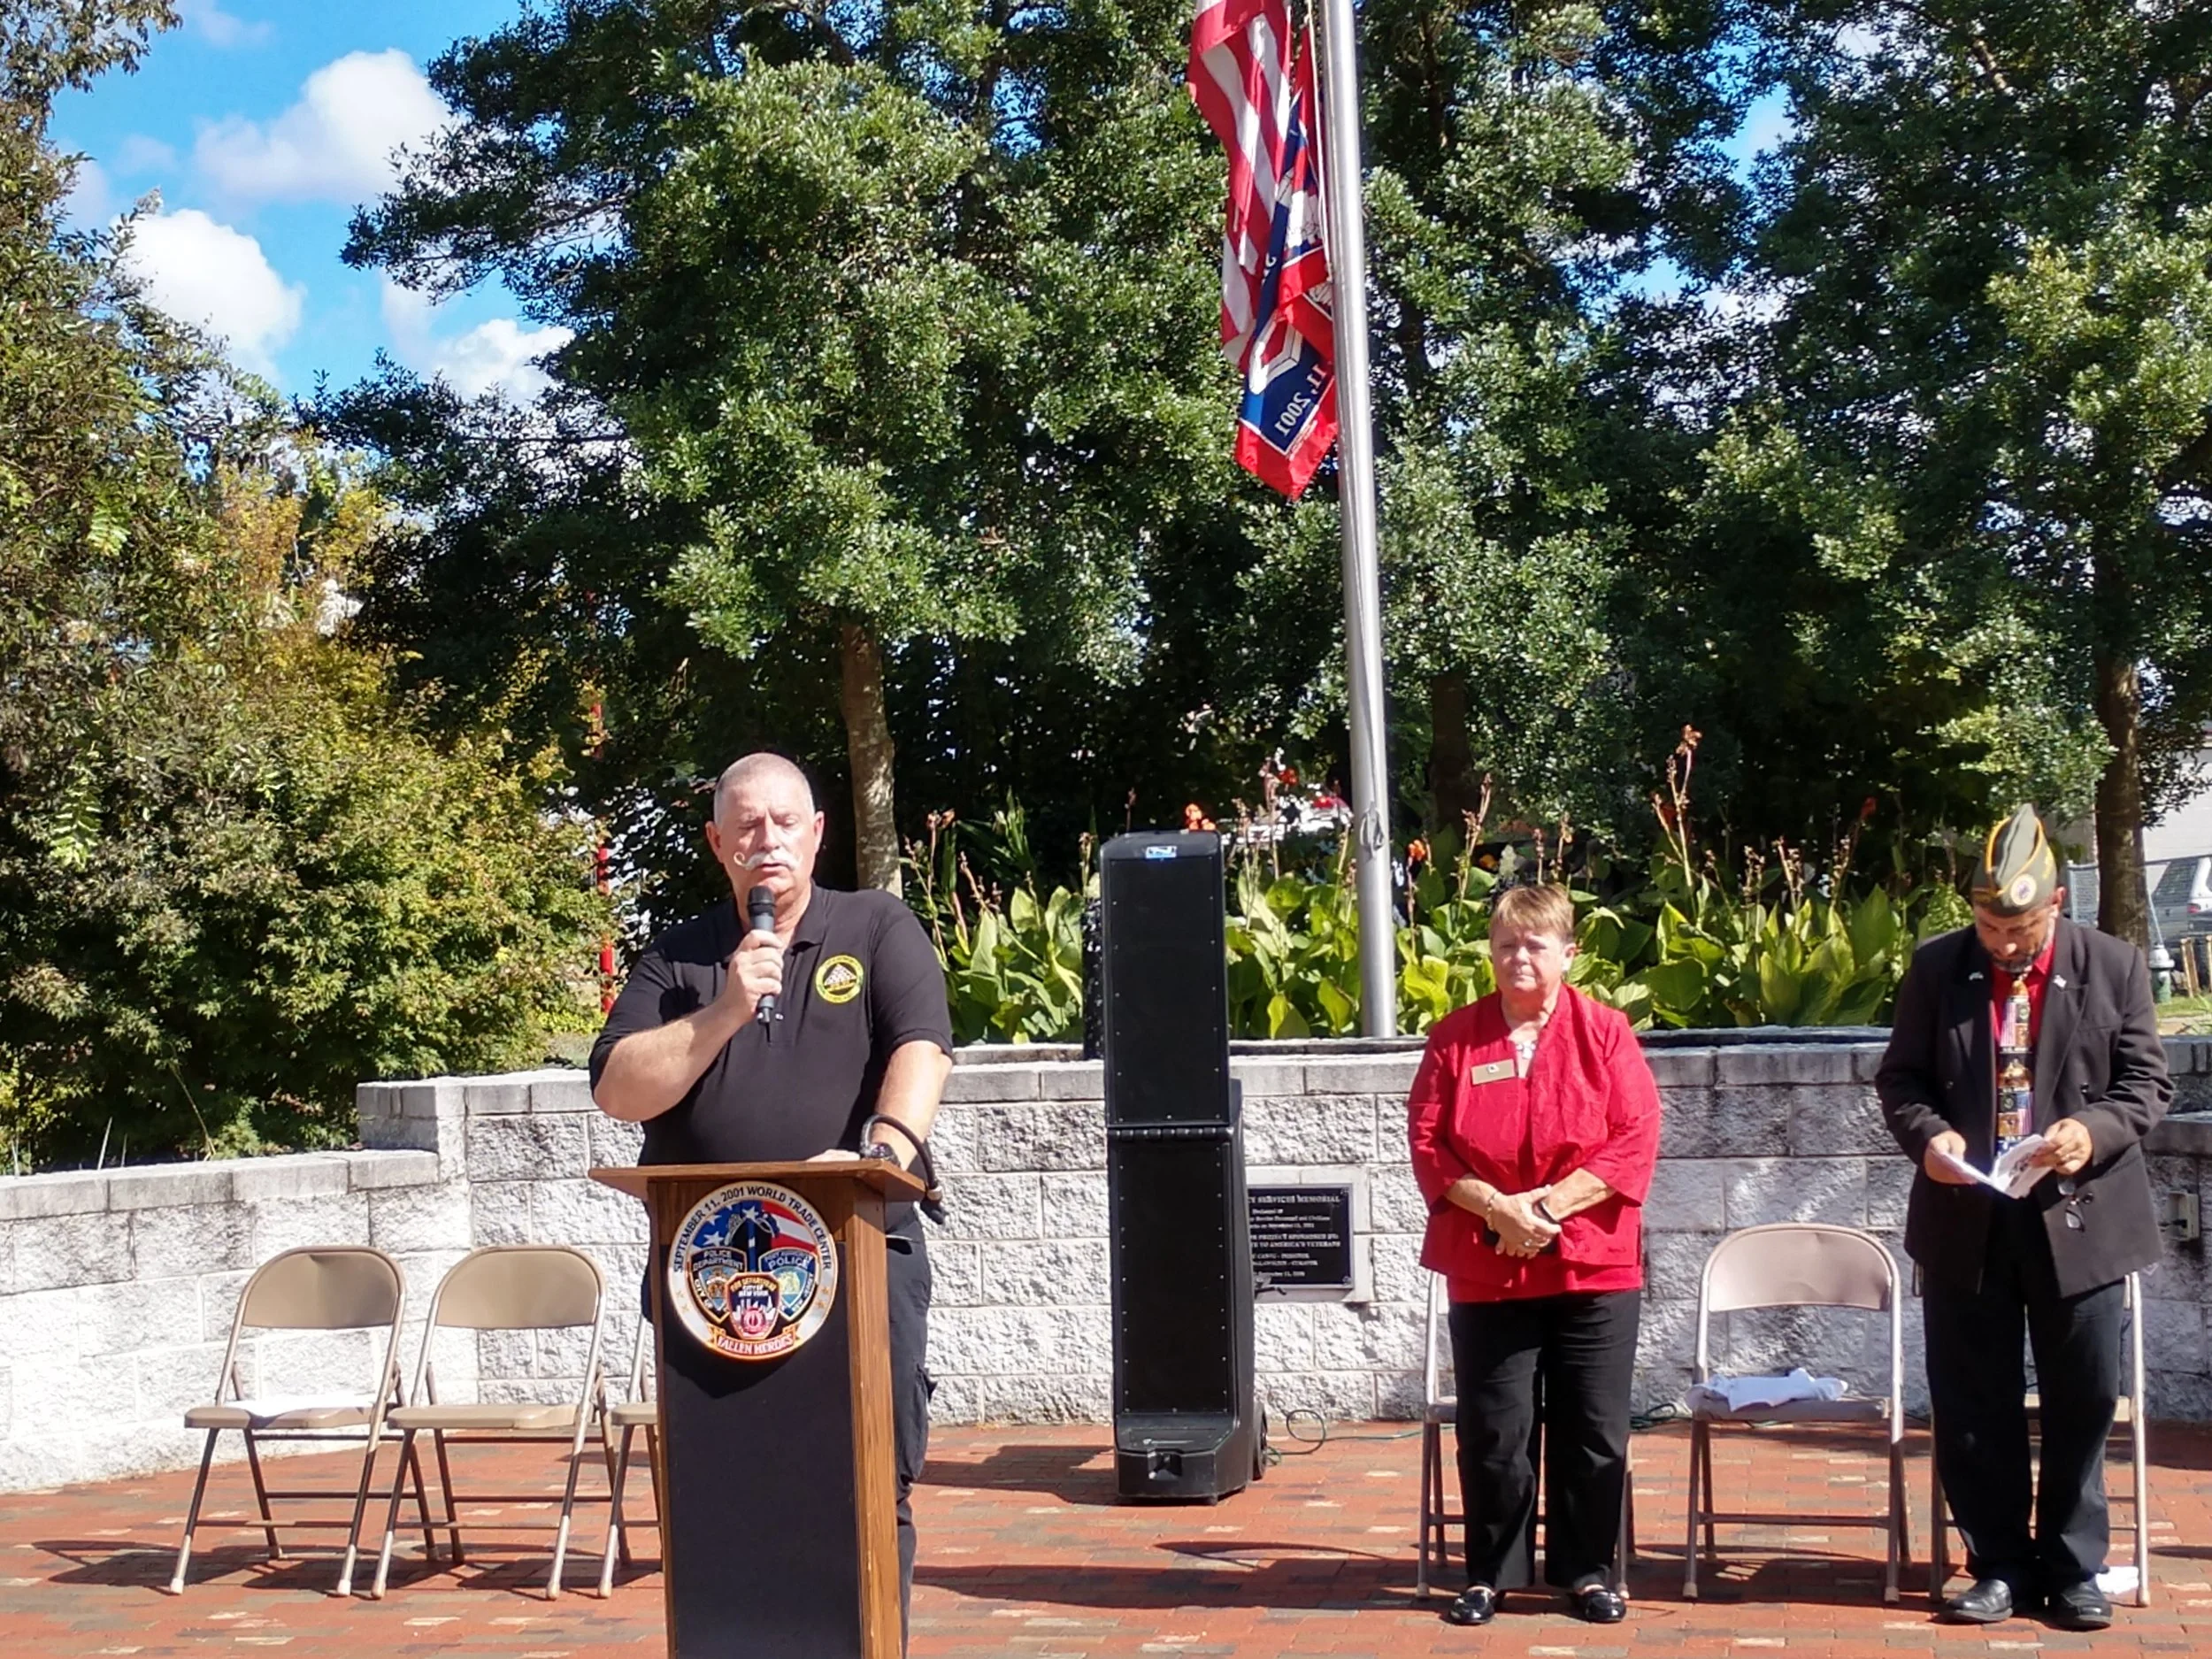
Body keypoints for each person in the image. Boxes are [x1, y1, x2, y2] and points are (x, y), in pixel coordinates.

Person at [590, 752, 952, 1644]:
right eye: (747, 825)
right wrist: (723, 1011)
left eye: (786, 821)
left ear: (818, 831)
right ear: (718, 843)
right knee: (727, 1479)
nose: (768, 840)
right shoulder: (678, 955)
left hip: (861, 1246)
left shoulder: (874, 926)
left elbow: (922, 1048)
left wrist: (881, 1150)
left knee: (870, 1473)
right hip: (711, 1268)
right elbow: (617, 1089)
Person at [1877, 805, 2170, 1631]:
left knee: (2083, 1396)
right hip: (1968, 1217)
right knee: (1975, 1400)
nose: (2003, 942)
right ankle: (1998, 1561)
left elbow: (2147, 1084)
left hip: (2081, 1219)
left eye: (2019, 927)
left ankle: (2075, 1566)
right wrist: (1930, 1137)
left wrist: (2092, 1130)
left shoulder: (2114, 964)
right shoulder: (1939, 969)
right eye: (1989, 924)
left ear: (2054, 909)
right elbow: (1900, 1081)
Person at [1405, 883, 1663, 1627]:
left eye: (1535, 944)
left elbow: (1634, 1136)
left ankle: (1586, 1571)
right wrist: (1500, 1209)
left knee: (1590, 1425)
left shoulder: (1606, 1031)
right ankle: (1491, 1572)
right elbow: (1428, 1141)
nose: (1518, 957)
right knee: (1495, 1428)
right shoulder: (1454, 1038)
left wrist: (1544, 1208)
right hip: (1489, 1262)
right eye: (1506, 943)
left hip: (1592, 1263)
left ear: (1568, 953)